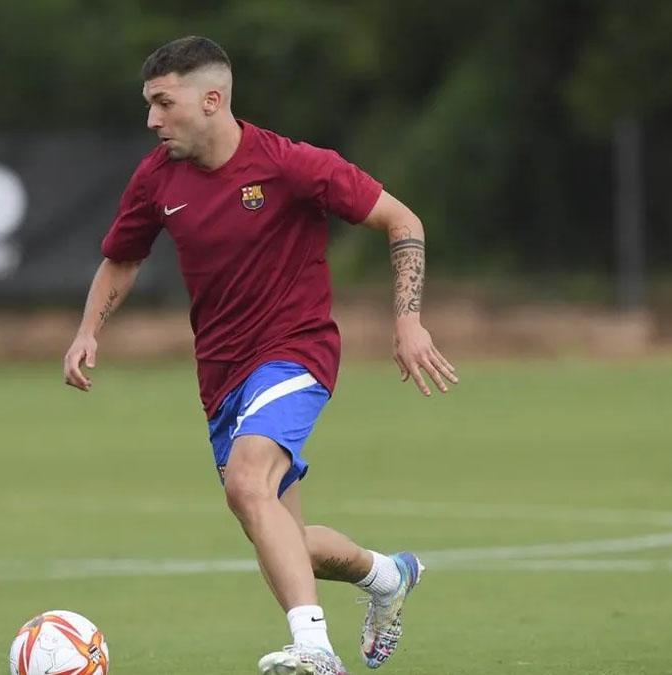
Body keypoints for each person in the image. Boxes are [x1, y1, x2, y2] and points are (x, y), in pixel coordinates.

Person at [62, 36, 457, 675]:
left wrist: (408, 321)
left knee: (247, 484)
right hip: (221, 379)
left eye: (163, 103)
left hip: (295, 355)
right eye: (148, 105)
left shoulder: (291, 164)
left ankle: (315, 650)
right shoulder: (156, 178)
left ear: (212, 100)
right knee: (283, 541)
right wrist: (89, 330)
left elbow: (402, 220)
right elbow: (123, 257)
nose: (152, 120)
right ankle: (387, 575)